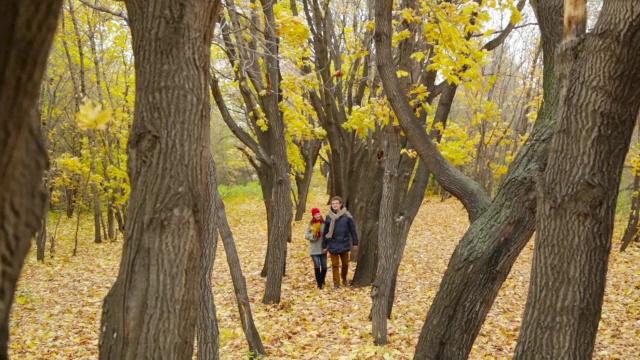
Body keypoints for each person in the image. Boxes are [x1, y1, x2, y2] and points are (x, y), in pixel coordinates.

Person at [322, 196, 359, 288]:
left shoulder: (347, 216)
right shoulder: (328, 217)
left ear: (340, 204)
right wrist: (324, 246)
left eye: (336, 203)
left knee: (345, 263)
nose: (334, 205)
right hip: (332, 244)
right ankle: (336, 284)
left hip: (344, 243)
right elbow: (326, 233)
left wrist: (355, 243)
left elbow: (353, 230)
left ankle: (344, 277)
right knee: (335, 264)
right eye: (333, 204)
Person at [304, 208, 327, 289]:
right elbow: (306, 235)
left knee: (324, 267)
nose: (317, 216)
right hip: (314, 249)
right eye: (315, 214)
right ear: (313, 216)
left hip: (323, 248)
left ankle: (322, 279)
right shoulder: (311, 224)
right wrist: (312, 236)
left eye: (318, 214)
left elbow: (327, 235)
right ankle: (319, 284)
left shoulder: (324, 224)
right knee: (317, 266)